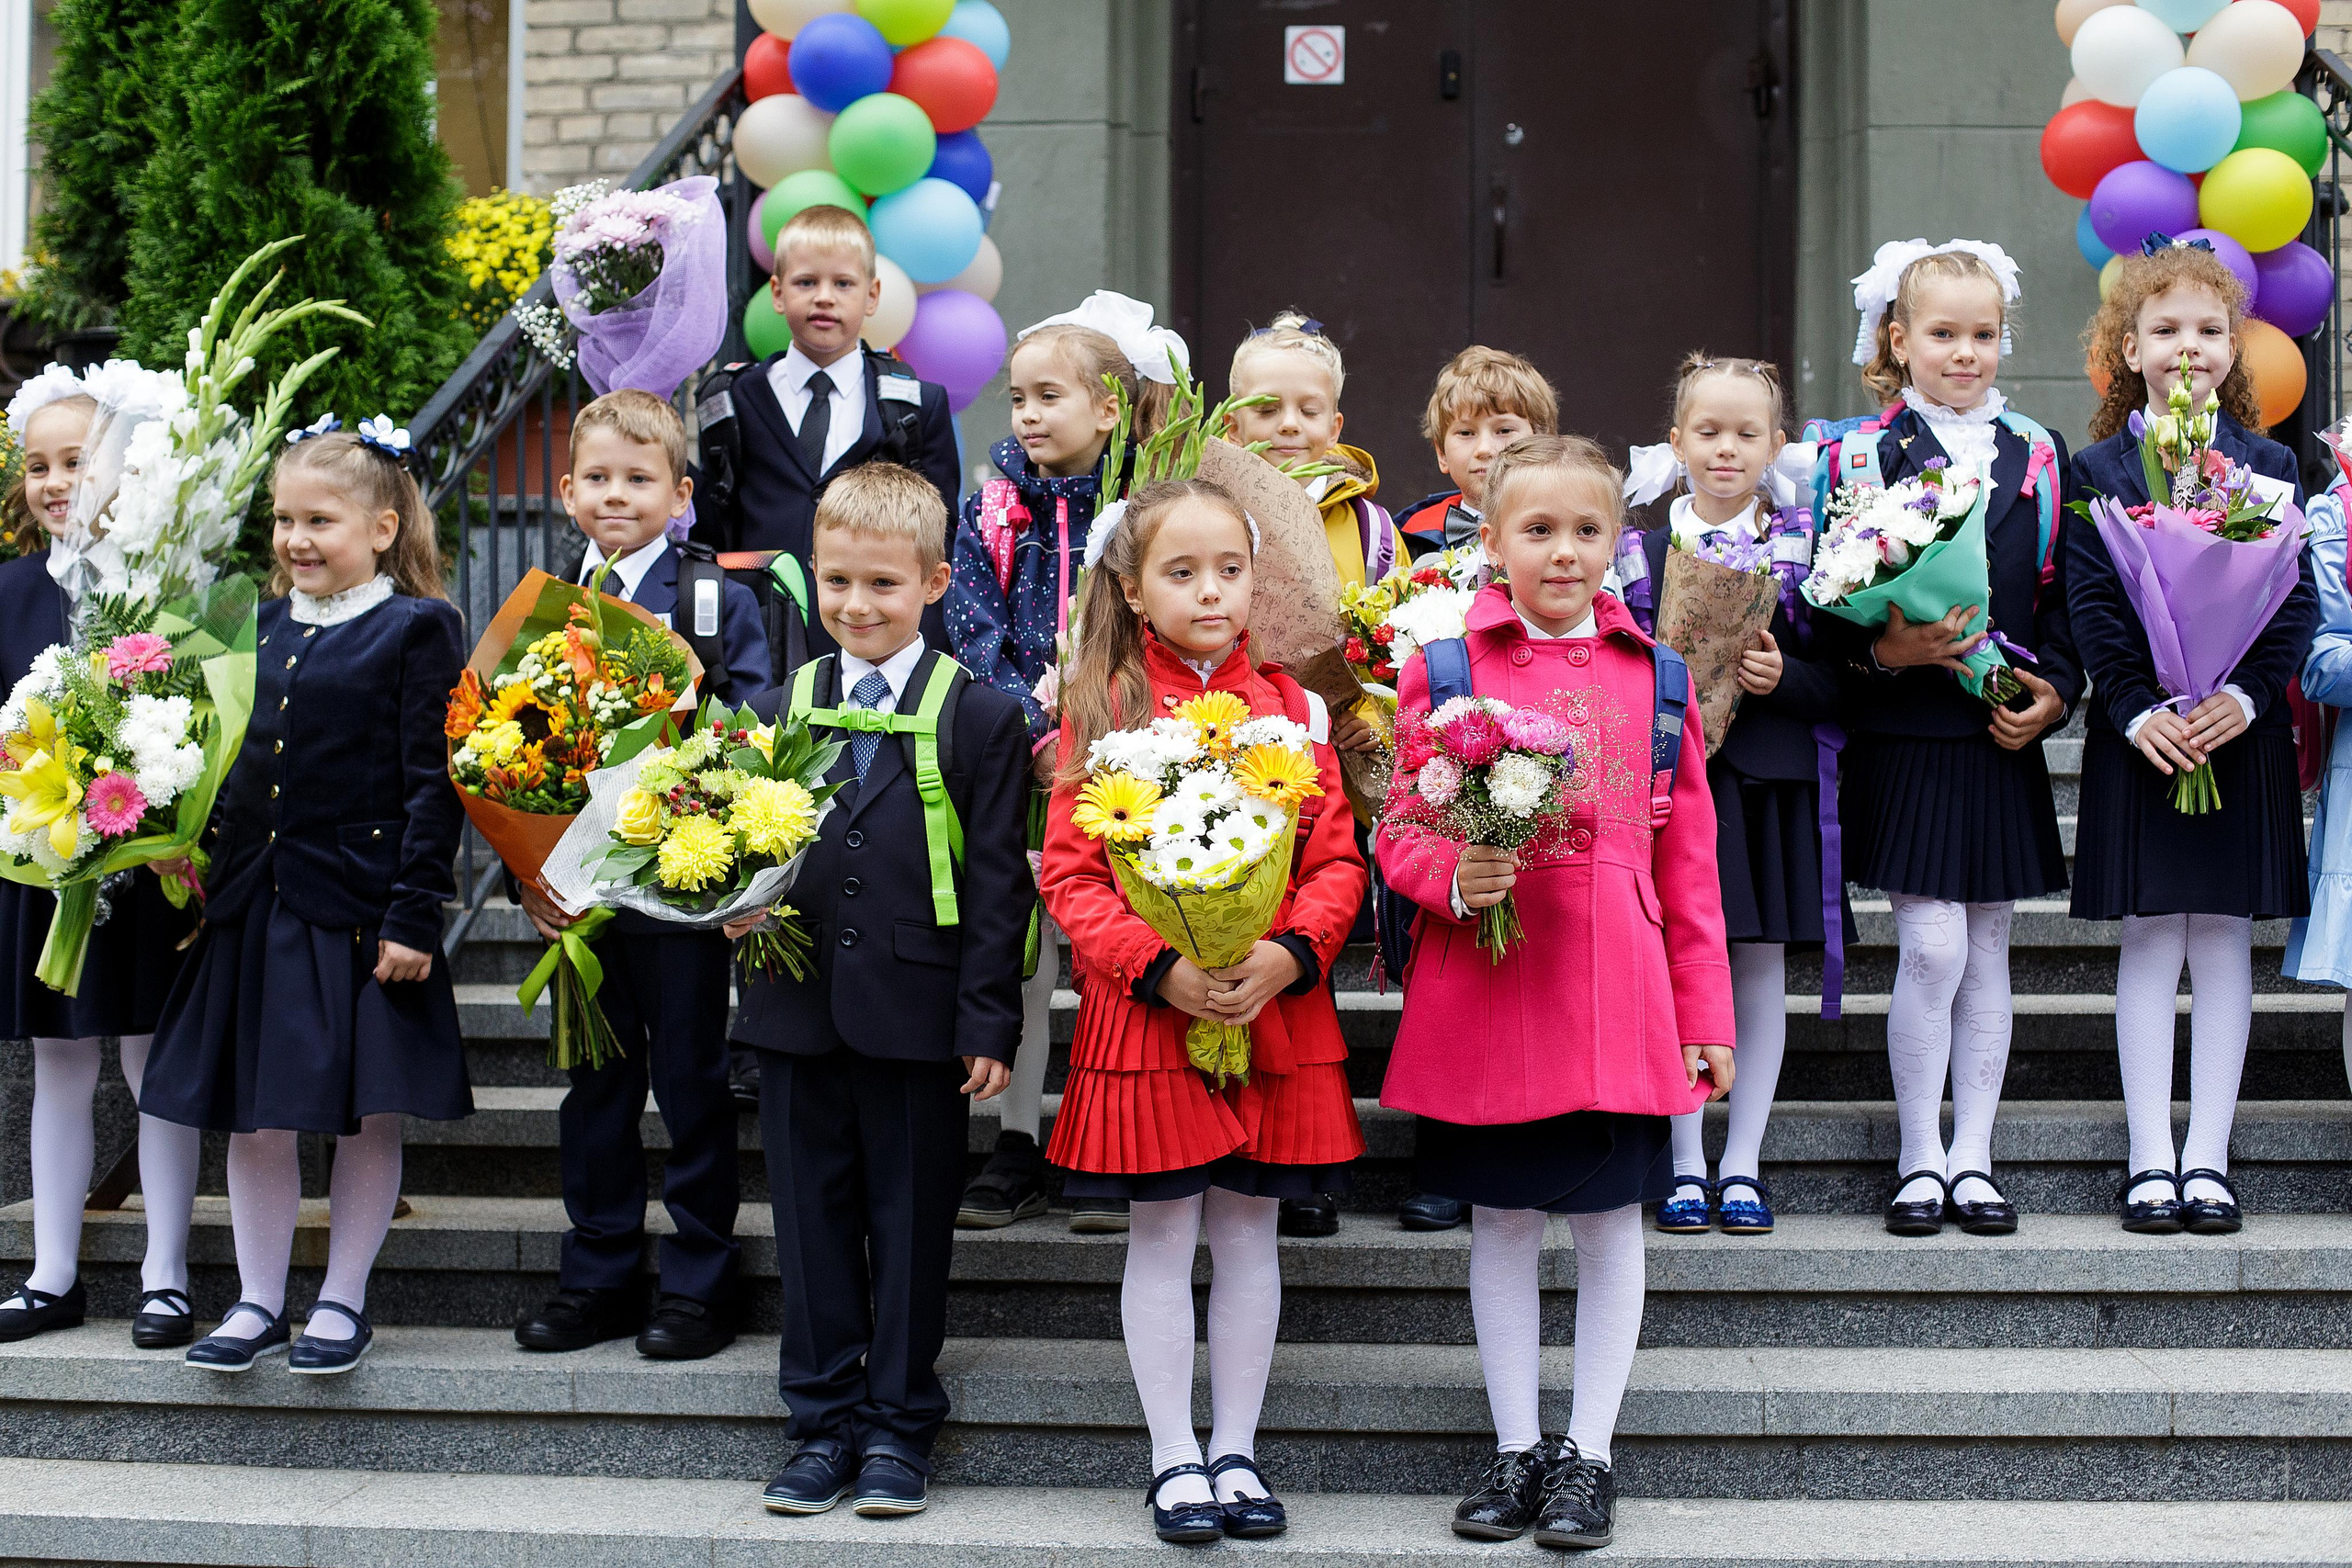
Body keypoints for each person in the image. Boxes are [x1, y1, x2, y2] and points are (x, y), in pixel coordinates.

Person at [1377, 433, 1734, 1551]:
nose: (1564, 552)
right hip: (1491, 984)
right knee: (1499, 1219)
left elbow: (1690, 866)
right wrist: (1452, 876)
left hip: (1616, 988)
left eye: (1587, 530)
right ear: (1492, 541)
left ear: (1619, 542)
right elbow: (1398, 827)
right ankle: (1515, 1444)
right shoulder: (1443, 673)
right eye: (1538, 530)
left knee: (1608, 1223)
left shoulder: (1658, 680)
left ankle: (1589, 1453)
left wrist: (1706, 1013)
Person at [1041, 477, 1364, 1543]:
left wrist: (1289, 952)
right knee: (1163, 1229)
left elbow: (1334, 860)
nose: (1211, 591)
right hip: (1150, 1014)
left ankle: (1236, 1449)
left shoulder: (1293, 709)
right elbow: (1071, 875)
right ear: (1135, 590)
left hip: (1271, 1005)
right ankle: (1173, 1455)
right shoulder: (1107, 708)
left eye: (1229, 569)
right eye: (1181, 573)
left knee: (1248, 1230)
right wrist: (1157, 966)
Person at [730, 462, 1032, 1521]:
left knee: (909, 1226)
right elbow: (738, 838)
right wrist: (728, 901)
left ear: (936, 583)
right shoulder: (776, 707)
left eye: (882, 584)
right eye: (837, 582)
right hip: (795, 1009)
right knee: (809, 1226)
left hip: (918, 1015)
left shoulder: (981, 719)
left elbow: (997, 886)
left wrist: (989, 1018)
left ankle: (899, 1424)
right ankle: (820, 1424)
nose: (857, 605)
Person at [141, 422, 472, 1375]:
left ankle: (341, 1299)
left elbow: (432, 782)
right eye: (284, 519)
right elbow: (228, 761)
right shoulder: (253, 626)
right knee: (259, 1112)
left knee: (365, 1112)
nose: (296, 538)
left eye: (319, 520)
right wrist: (187, 844)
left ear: (381, 528)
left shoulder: (417, 628)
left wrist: (415, 913)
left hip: (364, 908)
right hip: (257, 905)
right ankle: (256, 1300)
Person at [1811, 240, 2075, 1240]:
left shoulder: (2037, 452)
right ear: (1898, 339)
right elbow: (1823, 607)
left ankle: (1975, 1158)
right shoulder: (1858, 455)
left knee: (1990, 945)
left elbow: (2064, 593)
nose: (1965, 353)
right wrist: (1889, 649)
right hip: (1905, 730)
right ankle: (1919, 1152)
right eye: (1943, 334)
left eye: (1983, 334)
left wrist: (2057, 694)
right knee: (1931, 944)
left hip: (1998, 732)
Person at [509, 389, 768, 1359]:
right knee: (595, 1087)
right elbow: (506, 747)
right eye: (599, 479)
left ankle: (699, 1281)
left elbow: (749, 736)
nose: (616, 495)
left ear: (680, 494)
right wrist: (526, 871)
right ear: (567, 491)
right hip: (579, 896)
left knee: (693, 1084)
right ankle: (600, 1273)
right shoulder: (541, 606)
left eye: (639, 478)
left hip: (677, 889)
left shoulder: (713, 600)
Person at [2072, 240, 2312, 1237]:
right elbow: (2094, 603)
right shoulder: (2097, 469)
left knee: (2219, 939)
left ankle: (2206, 1157)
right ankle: (2148, 1158)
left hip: (2234, 737)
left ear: (2234, 347)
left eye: (2208, 330)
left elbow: (2291, 602)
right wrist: (2138, 708)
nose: (2187, 347)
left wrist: (2244, 698)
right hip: (2144, 739)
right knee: (2147, 939)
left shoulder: (2270, 466)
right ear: (2129, 348)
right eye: (2165, 329)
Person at [944, 292, 1182, 1236]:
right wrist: (1039, 738)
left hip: (1127, 761)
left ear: (1109, 407)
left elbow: (1162, 632)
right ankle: (1016, 1142)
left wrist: (1101, 736)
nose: (1028, 415)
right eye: (1017, 398)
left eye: (1049, 396)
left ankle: (1109, 1140)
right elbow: (974, 635)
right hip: (1022, 770)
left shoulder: (1151, 514)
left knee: (1116, 950)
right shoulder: (992, 511)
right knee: (1025, 957)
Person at [1623, 355, 1846, 1239]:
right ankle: (1684, 1159)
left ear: (1776, 444)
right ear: (1676, 442)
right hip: (1668, 786)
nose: (1726, 449)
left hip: (1765, 784)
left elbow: (1846, 680)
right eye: (1708, 431)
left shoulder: (1813, 552)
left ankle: (1743, 1161)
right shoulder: (1637, 554)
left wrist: (1786, 677)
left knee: (1755, 965)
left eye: (1746, 433)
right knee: (1673, 960)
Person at [0, 367, 200, 1347]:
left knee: (152, 1060)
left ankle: (166, 1276)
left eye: (75, 460)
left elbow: (194, 720)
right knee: (60, 1062)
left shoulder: (160, 588)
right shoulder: (7, 591)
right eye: (37, 465)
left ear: (123, 466)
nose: (54, 481)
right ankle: (52, 1273)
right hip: (42, 863)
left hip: (146, 864)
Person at [1223, 312, 1393, 1238]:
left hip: (1326, 759)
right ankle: (1218, 1135)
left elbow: (1393, 635)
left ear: (1336, 422)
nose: (1287, 424)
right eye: (1265, 408)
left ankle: (1301, 1156)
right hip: (1218, 755)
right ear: (1230, 420)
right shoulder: (1204, 503)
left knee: (1304, 949)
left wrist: (1369, 711)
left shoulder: (1369, 525)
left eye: (1307, 409)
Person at [691, 203, 961, 660]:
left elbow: (941, 536)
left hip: (872, 636)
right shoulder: (731, 400)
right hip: (758, 640)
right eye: (806, 282)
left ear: (872, 296)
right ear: (777, 293)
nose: (824, 297)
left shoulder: (915, 405)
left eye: (843, 284)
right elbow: (715, 526)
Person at [1395, 345, 1561, 557]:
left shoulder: (1576, 526)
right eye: (1466, 433)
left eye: (1504, 430)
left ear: (1543, 442)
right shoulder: (1410, 538)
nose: (1484, 449)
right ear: (1442, 454)